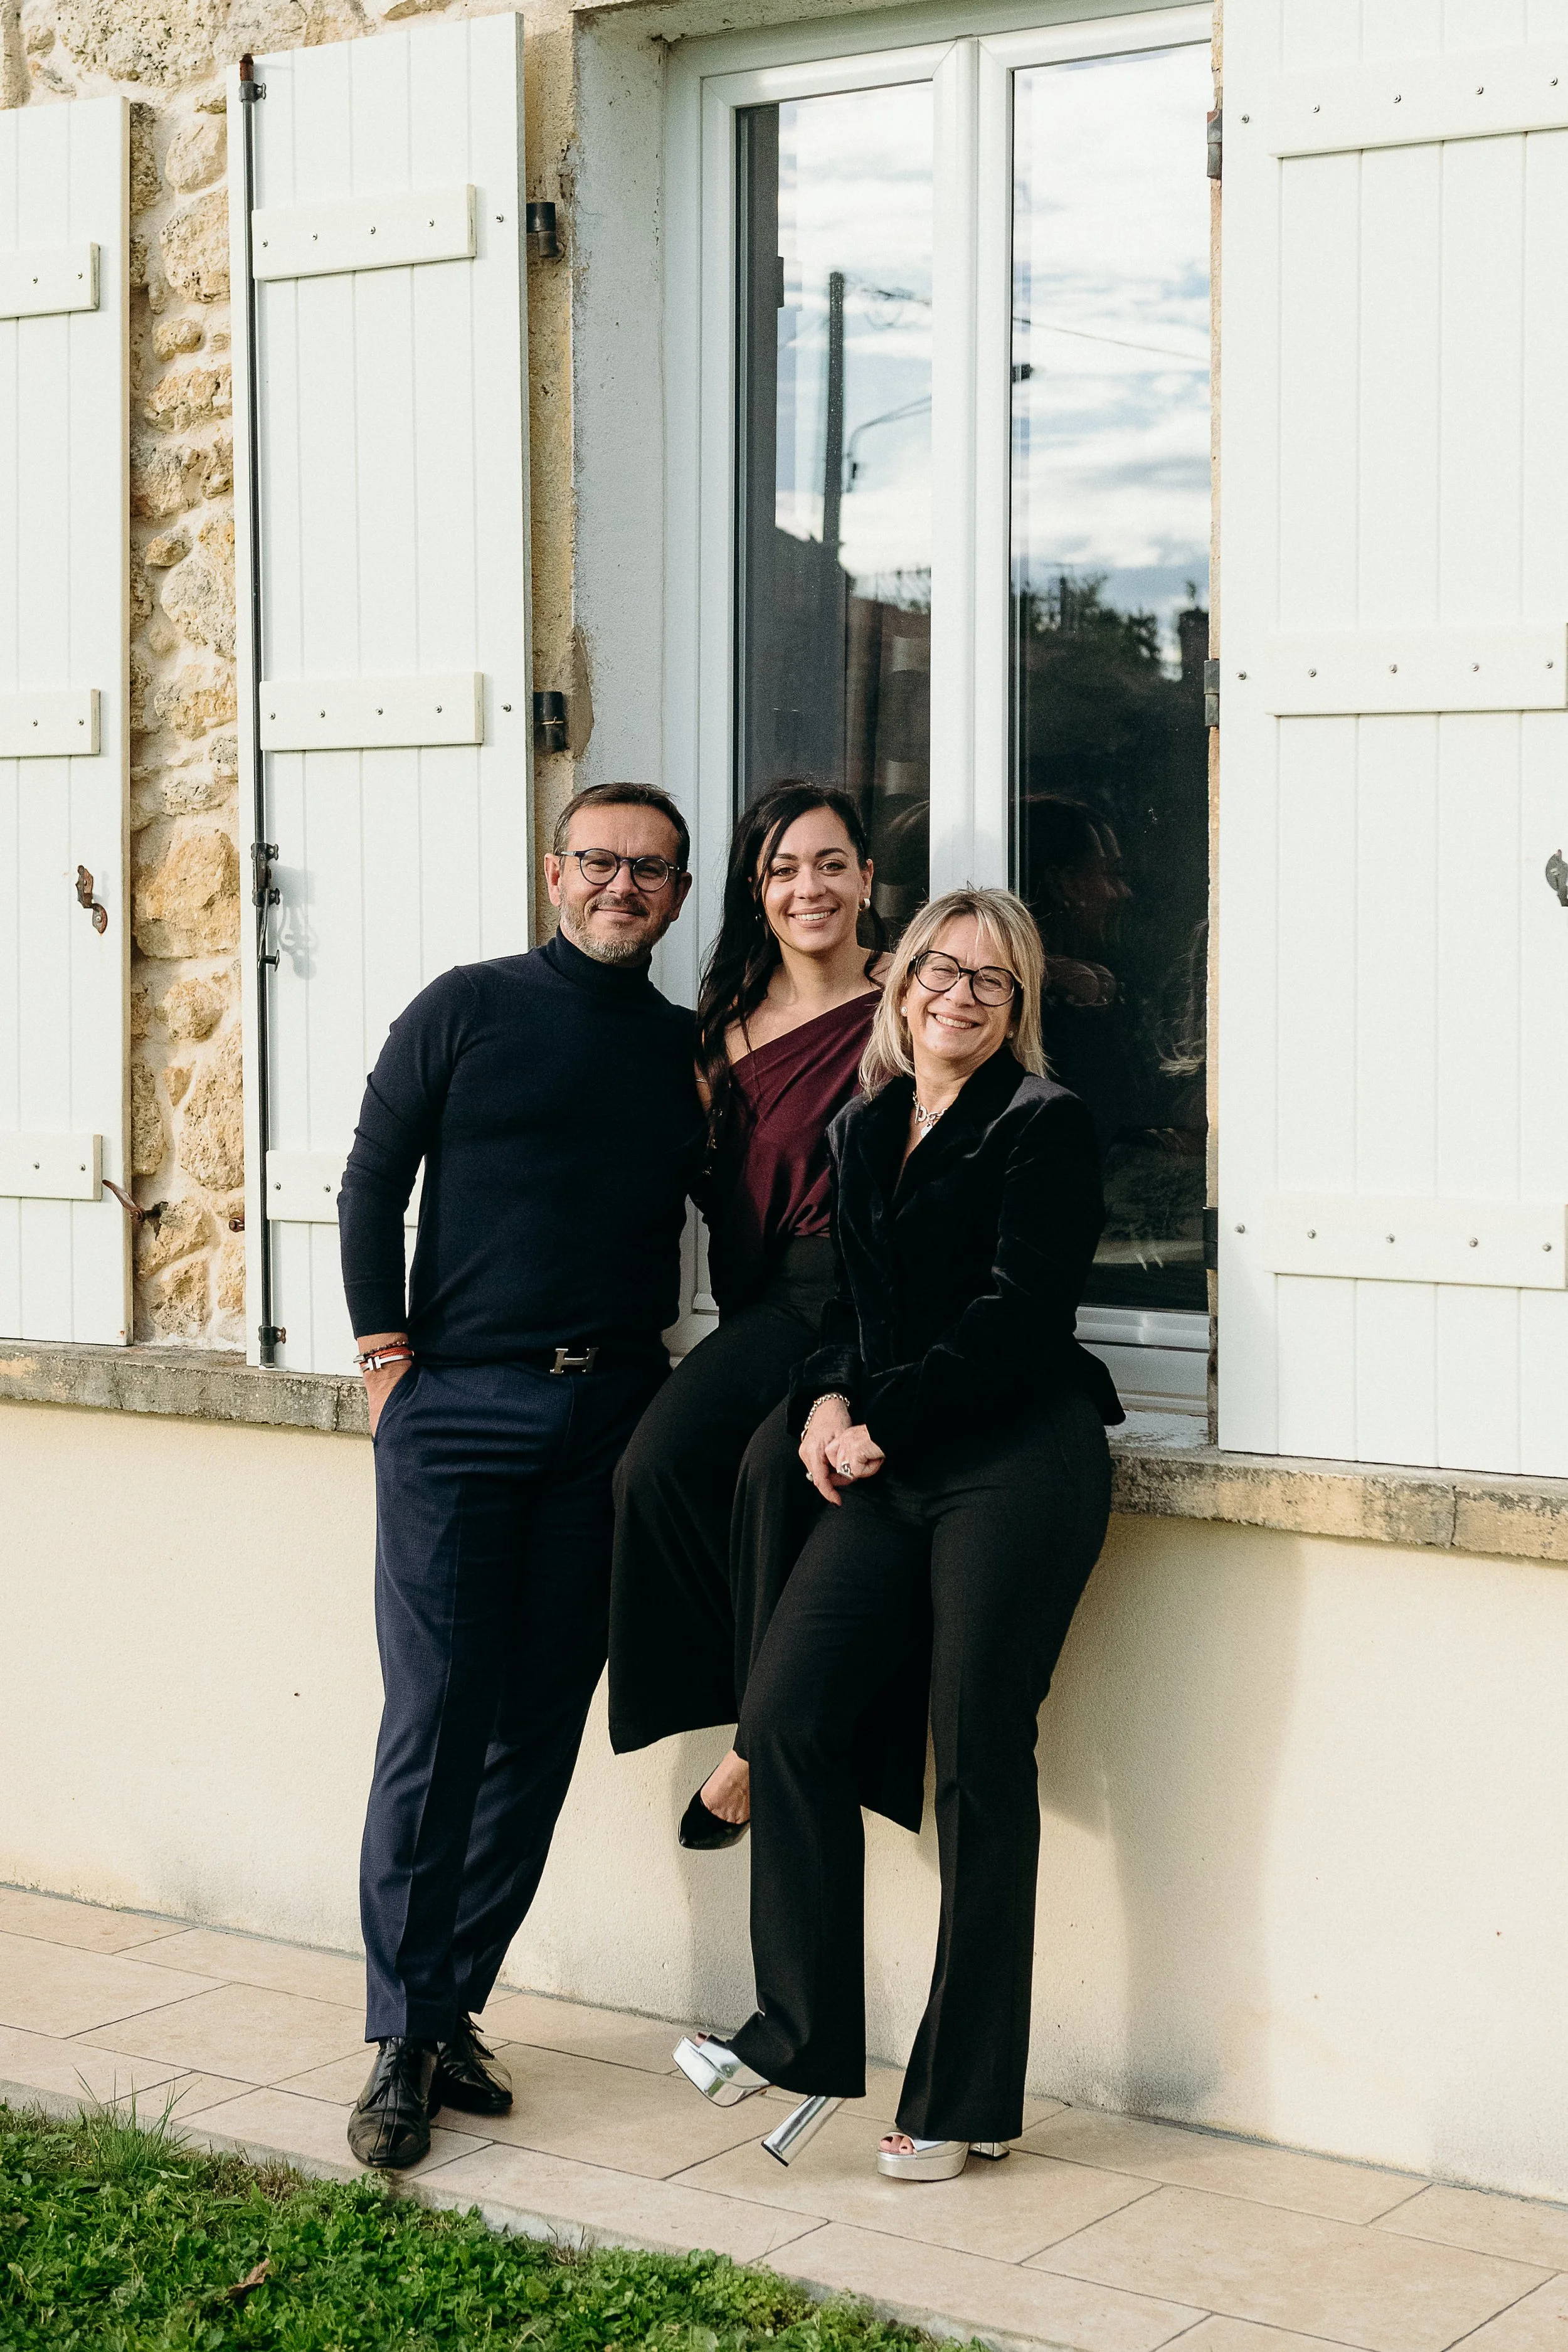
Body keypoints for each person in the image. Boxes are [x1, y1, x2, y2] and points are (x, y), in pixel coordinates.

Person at [672, 886, 1123, 2181]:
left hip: (1016, 1463)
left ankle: (965, 2096)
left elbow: (1012, 1320)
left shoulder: (1045, 1126)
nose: (959, 995)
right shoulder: (865, 1128)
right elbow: (851, 1313)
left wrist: (879, 1424)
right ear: (901, 978)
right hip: (894, 1456)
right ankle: (804, 2031)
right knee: (789, 1710)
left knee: (978, 1755)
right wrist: (823, 1400)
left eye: (992, 980)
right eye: (940, 968)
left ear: (1017, 1003)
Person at [337, 781, 703, 2171]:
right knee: (436, 1721)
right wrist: (387, 1367)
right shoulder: (465, 1007)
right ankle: (397, 2040)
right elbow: (373, 1183)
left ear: (679, 896)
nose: (623, 887)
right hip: (459, 1409)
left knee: (535, 1730)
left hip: (609, 1415)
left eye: (651, 871)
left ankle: (446, 2014)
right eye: (600, 861)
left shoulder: (685, 1053)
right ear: (554, 872)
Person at [607, 783, 883, 1848]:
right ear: (756, 894)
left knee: (778, 1475)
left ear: (866, 875)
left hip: (859, 1292)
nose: (805, 886)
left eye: (827, 862)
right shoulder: (723, 1029)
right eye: (781, 870)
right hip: (768, 1299)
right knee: (658, 1469)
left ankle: (756, 1747)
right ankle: (753, 1714)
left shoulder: (907, 1002)